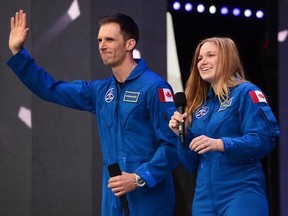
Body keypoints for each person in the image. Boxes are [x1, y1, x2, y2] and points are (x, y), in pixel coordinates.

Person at [7, 10, 179, 216]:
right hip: (113, 194)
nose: (102, 46)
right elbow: (49, 89)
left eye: (109, 39)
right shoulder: (100, 90)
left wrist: (138, 178)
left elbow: (172, 145)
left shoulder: (155, 87)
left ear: (130, 44)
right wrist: (19, 53)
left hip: (148, 195)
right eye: (99, 40)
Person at [169, 37, 280, 216]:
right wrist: (182, 136)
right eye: (199, 58)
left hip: (241, 193)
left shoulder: (247, 93)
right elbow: (191, 164)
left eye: (210, 55)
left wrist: (221, 144)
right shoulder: (199, 105)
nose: (202, 62)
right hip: (204, 198)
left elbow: (265, 139)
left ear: (227, 59)